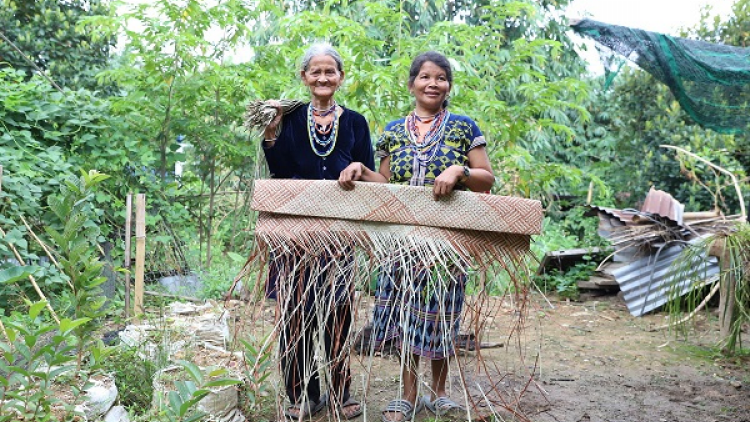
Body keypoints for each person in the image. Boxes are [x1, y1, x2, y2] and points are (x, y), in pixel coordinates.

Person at [338, 51, 495, 422]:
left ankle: (440, 394)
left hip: (448, 238)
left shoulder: (463, 127)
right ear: (412, 84)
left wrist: (459, 171)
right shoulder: (393, 130)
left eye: (441, 78)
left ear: (449, 86)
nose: (433, 83)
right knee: (404, 314)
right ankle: (407, 396)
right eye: (425, 77)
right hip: (402, 238)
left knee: (442, 311)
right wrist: (360, 169)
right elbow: (387, 184)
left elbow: (487, 178)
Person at [262, 42, 374, 420]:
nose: (323, 78)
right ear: (304, 77)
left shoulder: (356, 122)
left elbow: (370, 173)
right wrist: (272, 126)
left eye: (330, 71)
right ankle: (303, 395)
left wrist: (357, 169)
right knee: (295, 313)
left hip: (339, 233)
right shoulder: (290, 118)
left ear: (341, 77)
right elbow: (277, 170)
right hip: (294, 232)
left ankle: (341, 392)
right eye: (315, 71)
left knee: (337, 312)